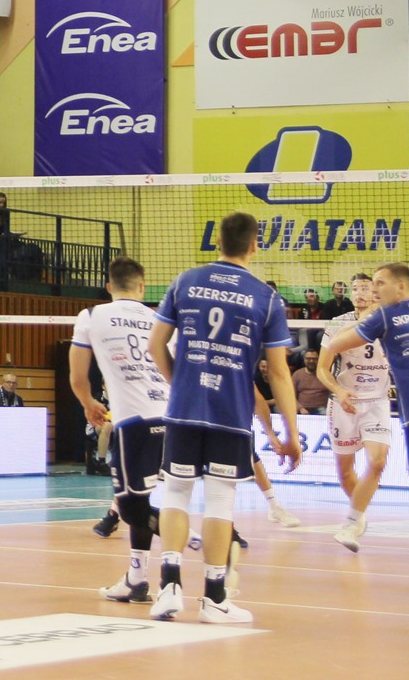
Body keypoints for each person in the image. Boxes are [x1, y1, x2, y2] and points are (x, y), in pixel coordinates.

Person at [147, 212, 301, 624]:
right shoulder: (266, 298)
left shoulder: (185, 281)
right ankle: (214, 598)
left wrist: (180, 382)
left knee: (175, 493)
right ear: (254, 245)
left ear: (217, 241)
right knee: (219, 499)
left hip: (184, 408)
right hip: (231, 413)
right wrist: (291, 432)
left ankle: (169, 588)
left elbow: (155, 345)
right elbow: (279, 372)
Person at [320, 262, 409, 595]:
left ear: (401, 286)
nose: (374, 290)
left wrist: (356, 324)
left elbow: (335, 343)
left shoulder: (384, 316)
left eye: (380, 283)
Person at [70, 256, 171, 605]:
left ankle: (198, 540)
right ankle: (136, 580)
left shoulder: (91, 315)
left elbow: (77, 376)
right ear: (142, 287)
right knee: (140, 501)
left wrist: (88, 403)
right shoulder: (160, 319)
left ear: (109, 286)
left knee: (129, 509)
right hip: (170, 418)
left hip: (135, 423)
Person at [314, 272, 394, 553]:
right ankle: (359, 516)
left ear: (376, 293)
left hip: (377, 401)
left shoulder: (388, 322)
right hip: (344, 402)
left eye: (365, 288)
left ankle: (351, 521)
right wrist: (339, 391)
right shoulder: (338, 324)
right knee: (345, 473)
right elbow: (321, 369)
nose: (359, 293)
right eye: (355, 288)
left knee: (378, 461)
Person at [291, 349, 329, 415]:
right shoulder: (297, 374)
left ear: (319, 360)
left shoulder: (325, 375)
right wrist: (300, 408)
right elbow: (291, 395)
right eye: (308, 359)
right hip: (302, 408)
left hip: (322, 408)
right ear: (304, 360)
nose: (311, 361)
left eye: (314, 359)